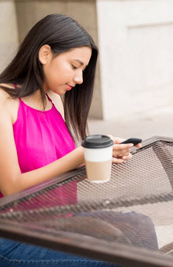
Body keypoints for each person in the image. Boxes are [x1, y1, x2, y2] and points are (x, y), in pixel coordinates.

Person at [0, 14, 157, 266]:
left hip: (59, 219)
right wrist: (79, 155)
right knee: (113, 259)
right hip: (14, 234)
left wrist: (96, 156)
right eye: (74, 66)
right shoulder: (3, 102)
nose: (80, 79)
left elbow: (53, 167)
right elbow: (12, 188)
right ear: (45, 54)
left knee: (140, 226)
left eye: (83, 70)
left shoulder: (54, 100)